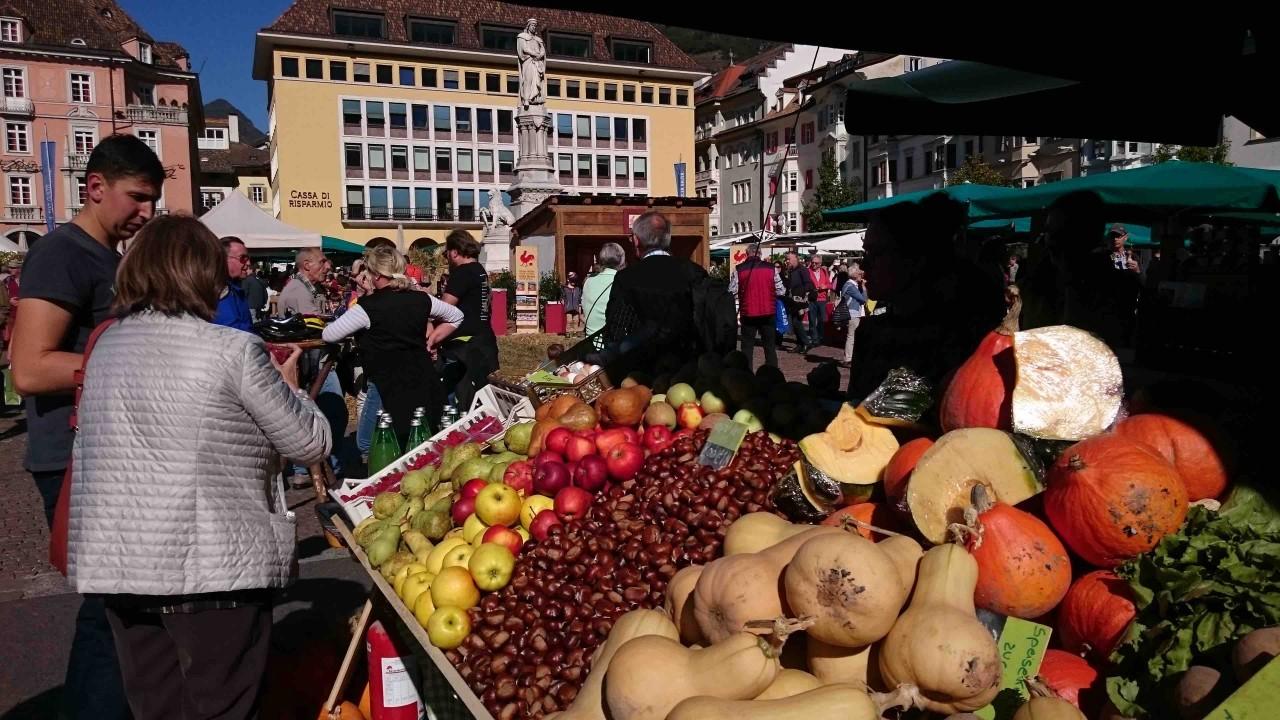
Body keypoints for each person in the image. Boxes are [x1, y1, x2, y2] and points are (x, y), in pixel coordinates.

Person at [67, 215, 331, 720]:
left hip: (125, 564)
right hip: (214, 566)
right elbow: (309, 442)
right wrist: (292, 384)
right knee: (224, 706)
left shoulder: (105, 349)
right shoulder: (232, 350)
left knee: (155, 708)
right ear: (203, 275)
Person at [10, 134, 164, 720]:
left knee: (119, 610)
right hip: (75, 461)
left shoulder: (106, 258)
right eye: (137, 197)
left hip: (103, 458)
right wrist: (140, 365)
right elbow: (29, 366)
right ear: (95, 187)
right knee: (112, 611)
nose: (146, 212)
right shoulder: (62, 254)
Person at [324, 245, 462, 445]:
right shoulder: (421, 299)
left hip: (385, 382)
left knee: (370, 443)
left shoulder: (368, 307)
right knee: (421, 436)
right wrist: (433, 339)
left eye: (369, 272)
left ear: (377, 275)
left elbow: (329, 334)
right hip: (420, 375)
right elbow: (456, 316)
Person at [604, 211, 707, 367]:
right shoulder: (694, 271)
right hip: (689, 364)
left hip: (642, 366)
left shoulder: (626, 278)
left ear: (636, 241)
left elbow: (615, 326)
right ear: (668, 239)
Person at [439, 230, 499, 410]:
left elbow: (445, 307)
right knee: (486, 395)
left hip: (465, 345)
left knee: (466, 401)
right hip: (484, 339)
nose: (447, 257)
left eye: (447, 252)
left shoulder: (462, 272)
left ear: (455, 251)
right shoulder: (479, 270)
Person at [728, 243, 785, 369]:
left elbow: (731, 291)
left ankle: (747, 376)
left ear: (747, 254)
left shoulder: (739, 269)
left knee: (747, 347)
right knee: (769, 346)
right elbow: (781, 290)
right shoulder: (771, 268)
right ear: (760, 254)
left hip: (748, 312)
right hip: (768, 311)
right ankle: (772, 373)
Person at [276, 247, 332, 318]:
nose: (328, 266)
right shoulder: (299, 290)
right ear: (307, 265)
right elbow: (315, 325)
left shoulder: (302, 287)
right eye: (322, 262)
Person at [582, 242, 623, 337]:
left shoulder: (588, 281)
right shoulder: (622, 281)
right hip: (613, 343)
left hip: (591, 342)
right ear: (621, 260)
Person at [213, 237, 253, 331]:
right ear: (224, 259)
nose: (248, 263)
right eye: (243, 258)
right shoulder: (219, 289)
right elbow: (231, 330)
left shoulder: (232, 287)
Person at [783, 251, 816, 353]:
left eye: (789, 259)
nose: (787, 261)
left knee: (797, 322)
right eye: (786, 259)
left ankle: (806, 343)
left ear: (795, 259)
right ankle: (799, 344)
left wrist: (799, 291)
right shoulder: (791, 270)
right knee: (794, 321)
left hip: (800, 301)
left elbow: (809, 284)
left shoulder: (802, 270)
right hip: (793, 301)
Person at [839, 264, 868, 366]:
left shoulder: (850, 285)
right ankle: (848, 359)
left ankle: (849, 357)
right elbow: (864, 299)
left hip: (852, 313)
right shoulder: (851, 286)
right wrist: (864, 287)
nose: (861, 274)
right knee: (851, 336)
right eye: (859, 272)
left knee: (851, 336)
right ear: (854, 274)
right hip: (852, 313)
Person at [807, 253, 831, 345]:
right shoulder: (807, 271)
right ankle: (814, 339)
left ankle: (820, 337)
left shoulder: (824, 272)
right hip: (812, 299)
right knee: (812, 320)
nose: (814, 264)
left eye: (816, 263)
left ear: (820, 263)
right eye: (813, 262)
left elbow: (830, 284)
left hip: (822, 299)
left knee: (821, 320)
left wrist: (825, 286)